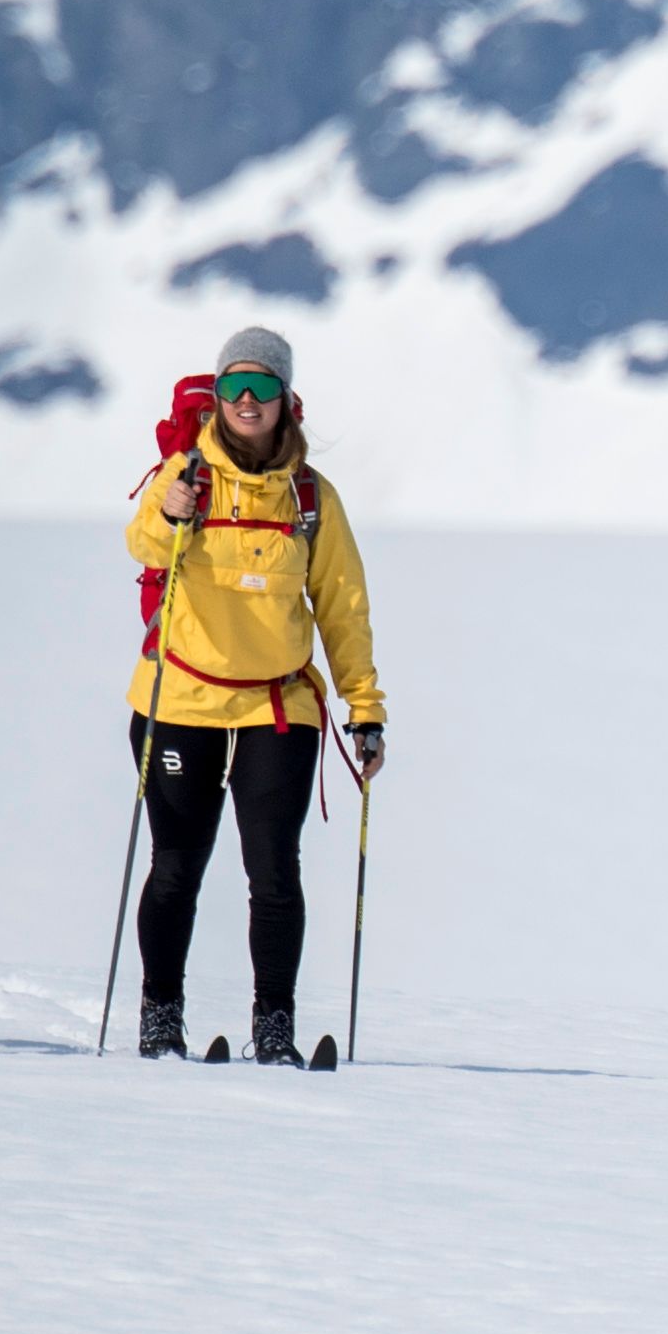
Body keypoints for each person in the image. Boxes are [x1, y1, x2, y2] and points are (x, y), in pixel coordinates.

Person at [124, 324, 385, 1065]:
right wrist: (168, 511)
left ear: (285, 400)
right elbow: (140, 543)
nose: (247, 398)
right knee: (176, 864)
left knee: (273, 871)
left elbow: (342, 606)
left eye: (263, 386)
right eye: (234, 385)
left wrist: (364, 708)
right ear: (216, 397)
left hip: (278, 706)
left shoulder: (311, 497)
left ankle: (275, 1030)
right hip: (180, 701)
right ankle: (159, 1019)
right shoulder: (185, 475)